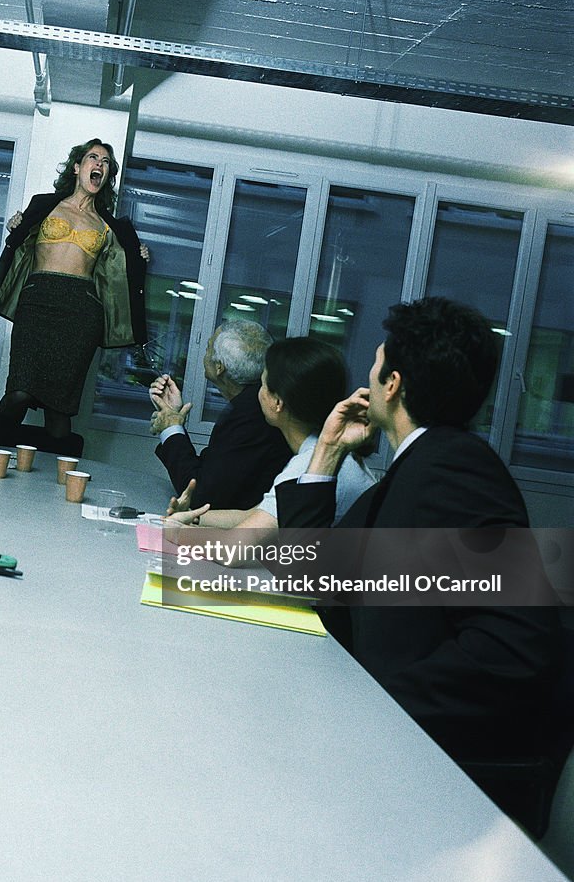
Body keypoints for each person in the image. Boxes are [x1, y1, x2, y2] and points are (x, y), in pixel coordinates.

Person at [276, 297, 561, 833]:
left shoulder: (455, 470)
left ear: (392, 385)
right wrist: (328, 454)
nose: (368, 374)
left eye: (377, 362)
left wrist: (374, 707)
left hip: (443, 779)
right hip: (402, 756)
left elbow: (515, 646)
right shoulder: (421, 466)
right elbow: (309, 573)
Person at [0, 139, 149, 457]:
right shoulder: (44, 205)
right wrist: (15, 227)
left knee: (59, 408)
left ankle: (56, 489)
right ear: (77, 167)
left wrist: (139, 258)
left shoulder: (111, 226)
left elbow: (126, 273)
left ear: (107, 174)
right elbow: (18, 243)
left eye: (105, 161)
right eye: (92, 157)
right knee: (18, 392)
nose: (99, 164)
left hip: (80, 312)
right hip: (37, 302)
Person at [166, 337, 375, 539]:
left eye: (263, 385)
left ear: (277, 402)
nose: (258, 393)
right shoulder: (319, 454)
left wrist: (177, 532)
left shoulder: (309, 466)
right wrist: (194, 518)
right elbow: (257, 515)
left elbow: (235, 550)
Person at [149, 319, 288, 512]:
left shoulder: (249, 412)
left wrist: (171, 428)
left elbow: (201, 495)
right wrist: (172, 421)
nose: (204, 354)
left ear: (219, 367)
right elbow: (210, 473)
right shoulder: (248, 405)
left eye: (207, 348)